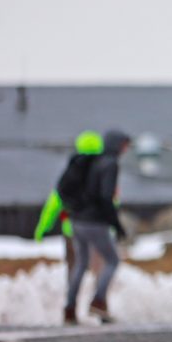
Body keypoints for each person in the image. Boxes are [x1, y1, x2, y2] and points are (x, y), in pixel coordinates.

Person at [64, 130, 131, 324]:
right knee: (112, 260)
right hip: (95, 222)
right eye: (125, 145)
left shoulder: (87, 162)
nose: (126, 149)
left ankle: (69, 309)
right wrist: (116, 224)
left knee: (80, 264)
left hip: (76, 221)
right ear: (118, 145)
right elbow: (106, 197)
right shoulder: (109, 164)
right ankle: (98, 301)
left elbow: (63, 192)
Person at [35, 130, 105, 294]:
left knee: (74, 265)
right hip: (97, 230)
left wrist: (43, 227)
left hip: (72, 228)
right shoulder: (102, 173)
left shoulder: (71, 172)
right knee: (99, 266)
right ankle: (99, 300)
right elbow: (110, 201)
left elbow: (54, 202)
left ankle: (71, 304)